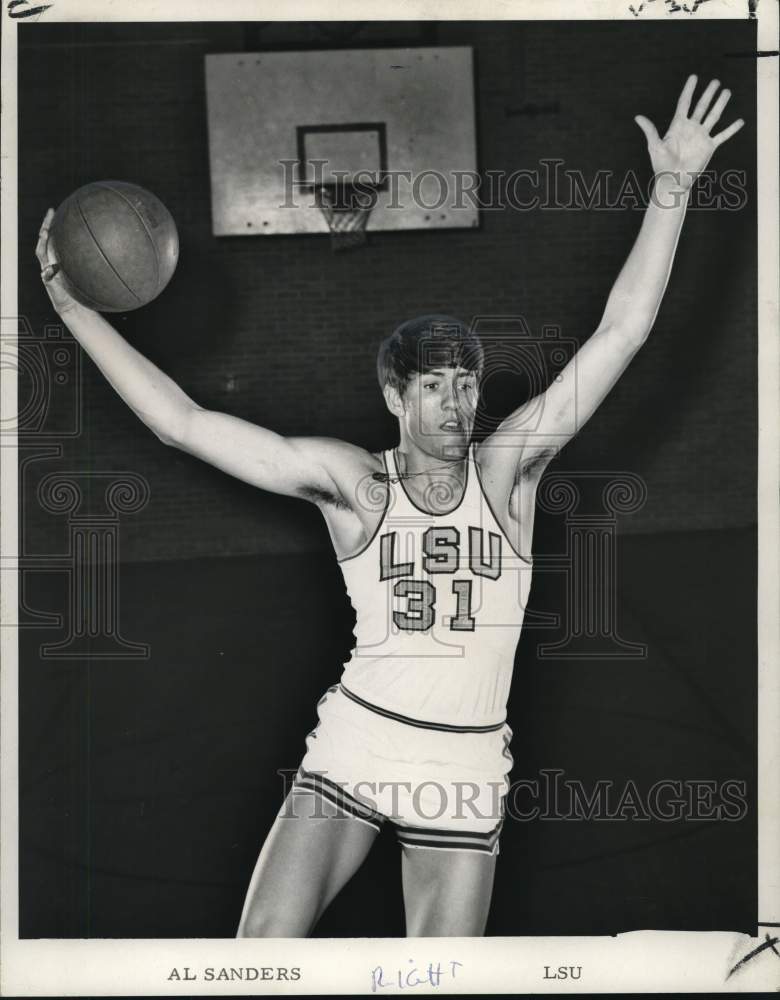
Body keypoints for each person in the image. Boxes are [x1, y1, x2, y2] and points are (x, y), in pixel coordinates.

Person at [35, 75, 743, 937]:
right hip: (357, 746)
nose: (458, 404)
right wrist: (75, 311)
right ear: (394, 395)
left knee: (441, 982)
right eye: (435, 387)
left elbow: (620, 333)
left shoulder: (509, 475)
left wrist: (673, 186)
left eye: (469, 383)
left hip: (465, 763)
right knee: (258, 956)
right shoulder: (352, 485)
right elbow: (184, 424)